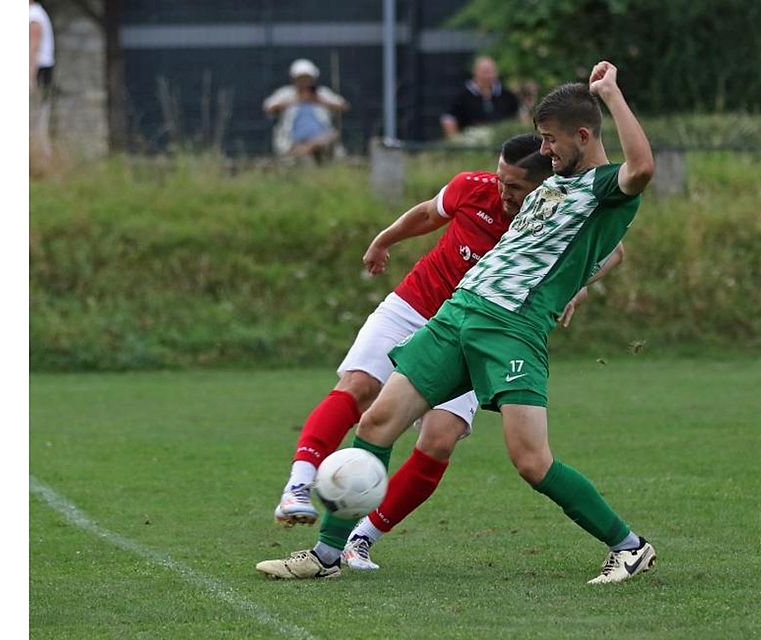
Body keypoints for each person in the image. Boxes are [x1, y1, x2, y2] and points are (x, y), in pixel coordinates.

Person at [258, 60, 654, 586]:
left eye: (551, 140)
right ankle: (327, 555)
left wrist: (610, 94)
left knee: (531, 460)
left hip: (512, 327)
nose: (545, 150)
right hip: (457, 313)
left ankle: (629, 546)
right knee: (376, 422)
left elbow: (641, 171)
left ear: (584, 134)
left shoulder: (606, 188)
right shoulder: (547, 187)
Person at [255, 134, 555, 579]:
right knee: (359, 388)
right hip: (414, 306)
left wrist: (576, 289)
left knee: (440, 437)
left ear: (542, 185)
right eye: (500, 179)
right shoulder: (473, 187)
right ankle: (298, 486)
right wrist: (383, 239)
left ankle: (360, 539)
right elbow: (427, 213)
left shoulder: (554, 216)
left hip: (470, 331)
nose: (502, 192)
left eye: (514, 187)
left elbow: (611, 250)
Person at [262, 59, 349, 158]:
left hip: (321, 136)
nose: (304, 82)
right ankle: (304, 150)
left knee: (331, 135)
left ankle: (303, 150)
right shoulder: (286, 93)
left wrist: (319, 101)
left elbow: (343, 106)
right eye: (301, 78)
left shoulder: (322, 93)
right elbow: (268, 107)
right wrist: (294, 101)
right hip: (293, 139)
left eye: (307, 78)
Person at [440, 56, 521, 139]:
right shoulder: (461, 96)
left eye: (491, 72)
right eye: (485, 72)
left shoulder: (507, 95)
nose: (488, 76)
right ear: (475, 72)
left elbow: (520, 116)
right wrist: (456, 141)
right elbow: (448, 119)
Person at [29, 1, 56, 159]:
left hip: (39, 71)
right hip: (40, 70)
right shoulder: (36, 13)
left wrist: (29, 77)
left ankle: (41, 160)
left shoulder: (34, 15)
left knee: (37, 119)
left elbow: (34, 46)